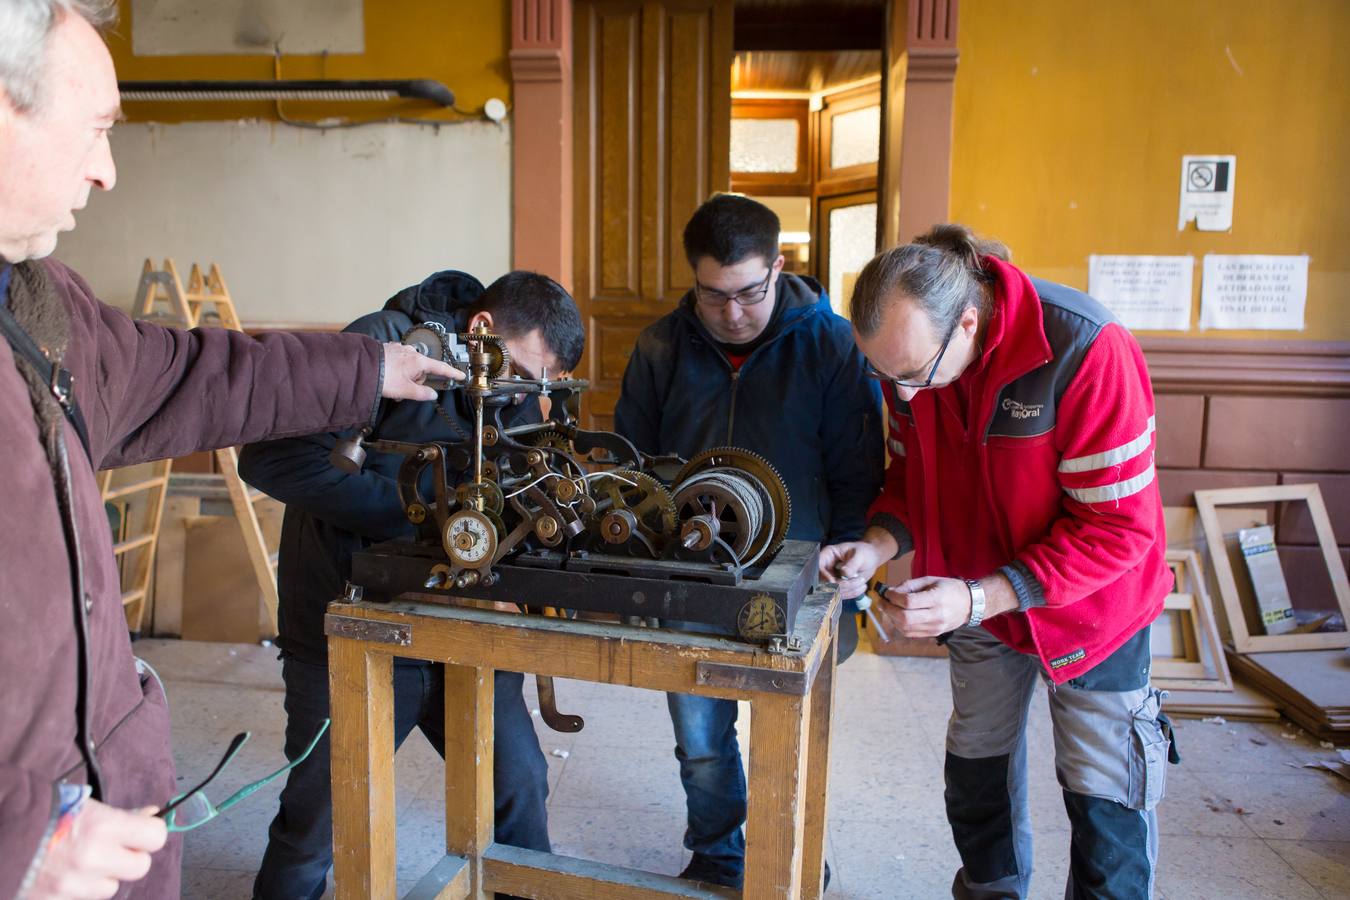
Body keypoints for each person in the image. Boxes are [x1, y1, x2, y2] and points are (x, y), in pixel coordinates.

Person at [0, 2, 461, 898]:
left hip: (105, 827)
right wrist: (19, 831)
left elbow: (192, 373)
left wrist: (368, 368)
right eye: (95, 130)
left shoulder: (41, 303)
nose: (106, 171)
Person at [820, 224, 1175, 899]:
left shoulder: (1086, 348)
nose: (905, 396)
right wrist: (876, 546)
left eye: (914, 374)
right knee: (976, 774)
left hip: (1093, 610)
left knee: (1106, 802)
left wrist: (979, 597)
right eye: (885, 376)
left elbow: (1118, 531)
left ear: (970, 323)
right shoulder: (915, 371)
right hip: (980, 597)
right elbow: (910, 478)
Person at [239, 269, 583, 899]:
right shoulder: (381, 348)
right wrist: (426, 519)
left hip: (458, 628)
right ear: (482, 330)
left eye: (540, 386)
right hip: (352, 622)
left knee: (518, 788)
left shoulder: (510, 390)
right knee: (320, 816)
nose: (523, 396)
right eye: (523, 377)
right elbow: (269, 459)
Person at [615, 193, 884, 889]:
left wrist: (854, 561)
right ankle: (717, 850)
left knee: (789, 731)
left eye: (748, 293)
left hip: (801, 566)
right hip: (690, 569)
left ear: (779, 267)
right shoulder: (660, 346)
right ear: (693, 280)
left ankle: (790, 845)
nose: (732, 313)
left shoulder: (832, 345)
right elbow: (632, 465)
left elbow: (858, 469)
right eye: (712, 296)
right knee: (700, 737)